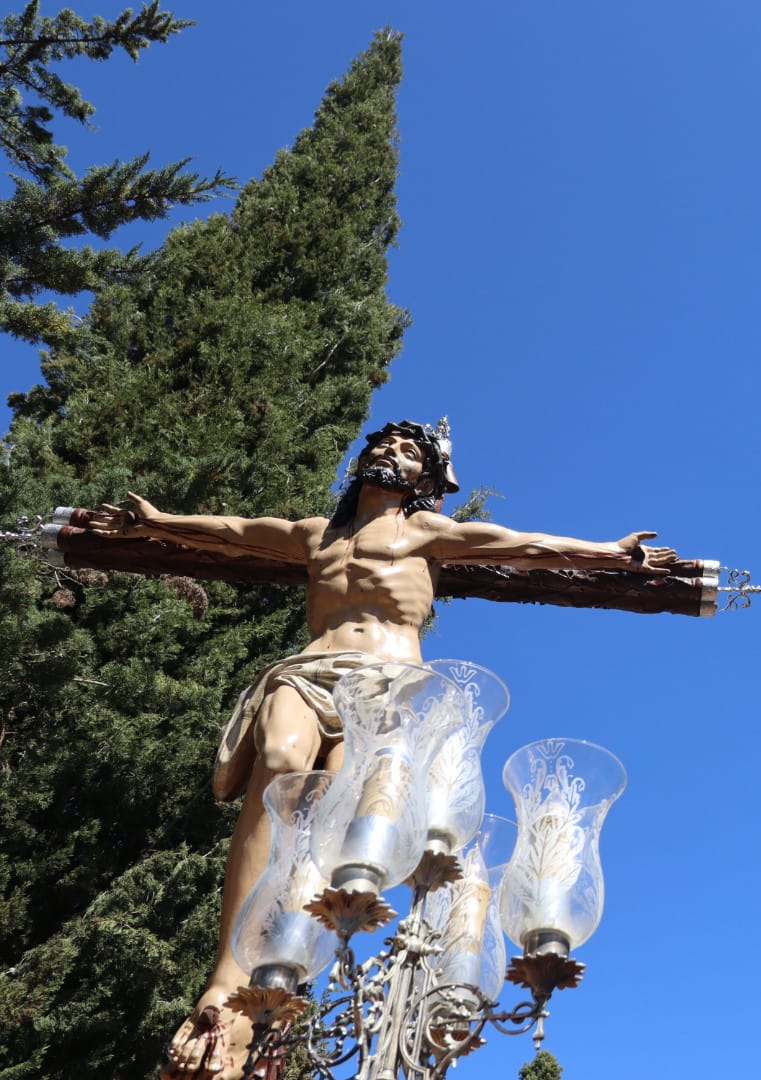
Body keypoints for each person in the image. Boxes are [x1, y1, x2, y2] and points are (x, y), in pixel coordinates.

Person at [84, 419, 678, 1080]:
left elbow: (524, 545)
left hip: (387, 685)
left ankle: (279, 980)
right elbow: (233, 531)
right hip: (308, 671)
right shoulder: (315, 534)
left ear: (425, 478)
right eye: (384, 445)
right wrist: (156, 520)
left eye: (409, 452)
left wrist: (609, 551)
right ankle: (229, 972)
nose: (392, 454)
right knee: (279, 763)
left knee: (340, 826)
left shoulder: (426, 533)